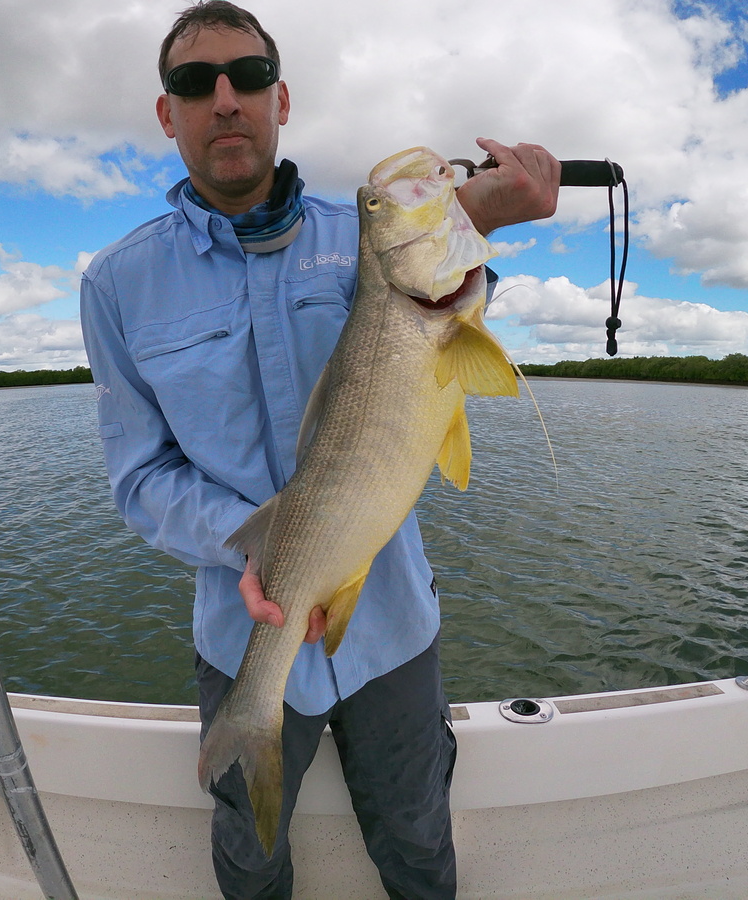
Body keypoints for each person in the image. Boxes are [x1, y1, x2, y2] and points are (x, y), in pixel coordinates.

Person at [80, 3, 560, 897]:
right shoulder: (115, 284)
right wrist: (257, 543)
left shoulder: (368, 236)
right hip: (241, 628)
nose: (225, 99)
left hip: (392, 631)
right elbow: (140, 477)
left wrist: (483, 219)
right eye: (194, 82)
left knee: (420, 844)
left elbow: (440, 306)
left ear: (281, 98)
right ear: (166, 113)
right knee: (250, 860)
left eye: (248, 77)